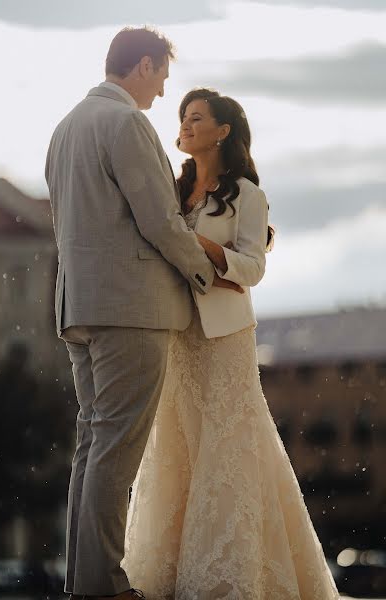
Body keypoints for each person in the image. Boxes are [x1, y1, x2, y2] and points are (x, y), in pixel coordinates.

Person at [45, 30, 242, 600]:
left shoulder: (66, 128)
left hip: (79, 306)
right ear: (144, 64)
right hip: (130, 309)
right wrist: (204, 275)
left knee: (92, 445)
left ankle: (85, 581)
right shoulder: (126, 124)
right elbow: (159, 219)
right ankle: (103, 584)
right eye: (159, 77)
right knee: (115, 447)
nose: (161, 92)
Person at [122, 89, 340, 600]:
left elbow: (253, 268)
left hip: (225, 339)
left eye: (197, 117)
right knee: (175, 444)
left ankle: (231, 574)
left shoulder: (246, 193)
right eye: (183, 118)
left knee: (228, 445)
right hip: (177, 334)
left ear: (223, 131)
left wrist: (198, 246)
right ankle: (166, 572)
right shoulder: (169, 190)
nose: (186, 125)